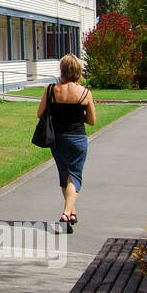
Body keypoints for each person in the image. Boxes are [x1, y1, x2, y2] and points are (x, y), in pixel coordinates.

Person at [37, 53, 96, 230]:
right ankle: (66, 213)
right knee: (75, 176)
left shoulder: (51, 90)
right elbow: (92, 121)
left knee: (65, 175)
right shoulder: (85, 93)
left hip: (58, 139)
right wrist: (79, 115)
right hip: (78, 138)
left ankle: (72, 213)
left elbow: (41, 114)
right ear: (78, 71)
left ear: (62, 70)